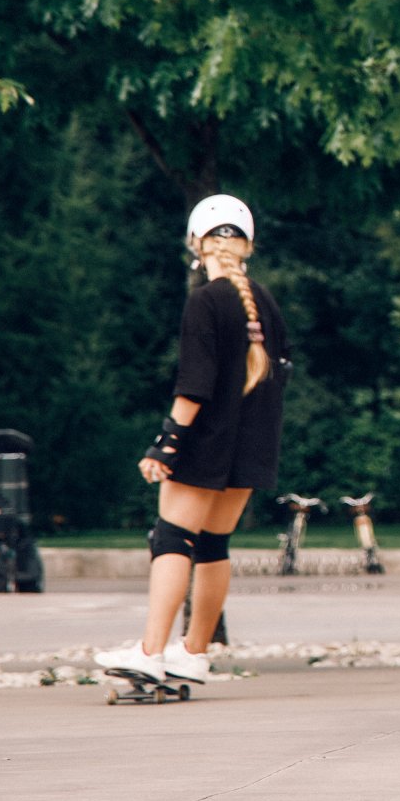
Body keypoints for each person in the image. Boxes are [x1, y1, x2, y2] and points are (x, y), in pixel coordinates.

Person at [96, 195, 291, 684]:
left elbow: (195, 383)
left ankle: (149, 651)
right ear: (248, 245)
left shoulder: (206, 300)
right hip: (251, 444)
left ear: (195, 243)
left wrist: (166, 443)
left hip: (206, 441)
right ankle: (195, 653)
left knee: (171, 539)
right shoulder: (264, 302)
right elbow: (279, 375)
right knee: (212, 544)